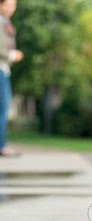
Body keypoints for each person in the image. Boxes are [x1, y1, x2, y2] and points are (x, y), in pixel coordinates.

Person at [0, 0, 23, 157]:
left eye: (14, 6)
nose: (11, 9)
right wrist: (13, 55)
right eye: (8, 5)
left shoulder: (6, 22)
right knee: (3, 108)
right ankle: (1, 146)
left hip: (4, 69)